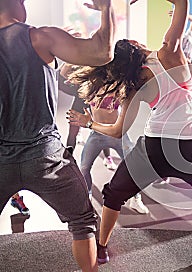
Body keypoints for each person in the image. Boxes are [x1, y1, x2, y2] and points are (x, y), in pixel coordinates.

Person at [67, 0, 192, 267]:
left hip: (151, 149)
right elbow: (182, 2)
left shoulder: (133, 82)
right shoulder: (168, 54)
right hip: (188, 149)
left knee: (114, 194)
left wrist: (89, 123)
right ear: (135, 46)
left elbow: (117, 131)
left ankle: (101, 248)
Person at [0, 0, 115, 271]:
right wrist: (107, 8)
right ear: (17, 4)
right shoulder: (39, 36)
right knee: (82, 221)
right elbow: (102, 52)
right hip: (45, 157)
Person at [78, 95, 149, 214]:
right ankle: (87, 196)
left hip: (118, 135)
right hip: (97, 134)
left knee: (133, 167)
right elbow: (67, 76)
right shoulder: (90, 85)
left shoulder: (117, 86)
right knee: (84, 167)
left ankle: (136, 199)